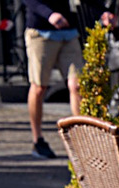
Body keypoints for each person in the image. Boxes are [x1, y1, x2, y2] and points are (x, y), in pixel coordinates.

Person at [23, 0, 114, 159]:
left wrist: (102, 12)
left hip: (69, 32)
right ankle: (38, 140)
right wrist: (49, 14)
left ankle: (81, 138)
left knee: (77, 85)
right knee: (39, 87)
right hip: (41, 32)